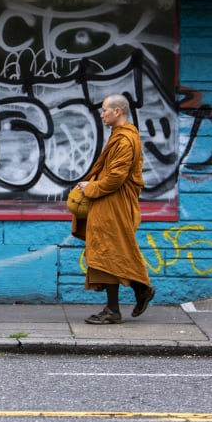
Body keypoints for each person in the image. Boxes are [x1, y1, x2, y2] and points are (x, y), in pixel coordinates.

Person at [73, 93, 155, 324]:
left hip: (114, 202)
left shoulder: (125, 140)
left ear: (117, 111)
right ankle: (139, 291)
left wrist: (91, 187)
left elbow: (116, 178)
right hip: (110, 202)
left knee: (108, 252)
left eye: (104, 110)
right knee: (111, 251)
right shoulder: (120, 136)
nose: (101, 115)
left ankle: (115, 308)